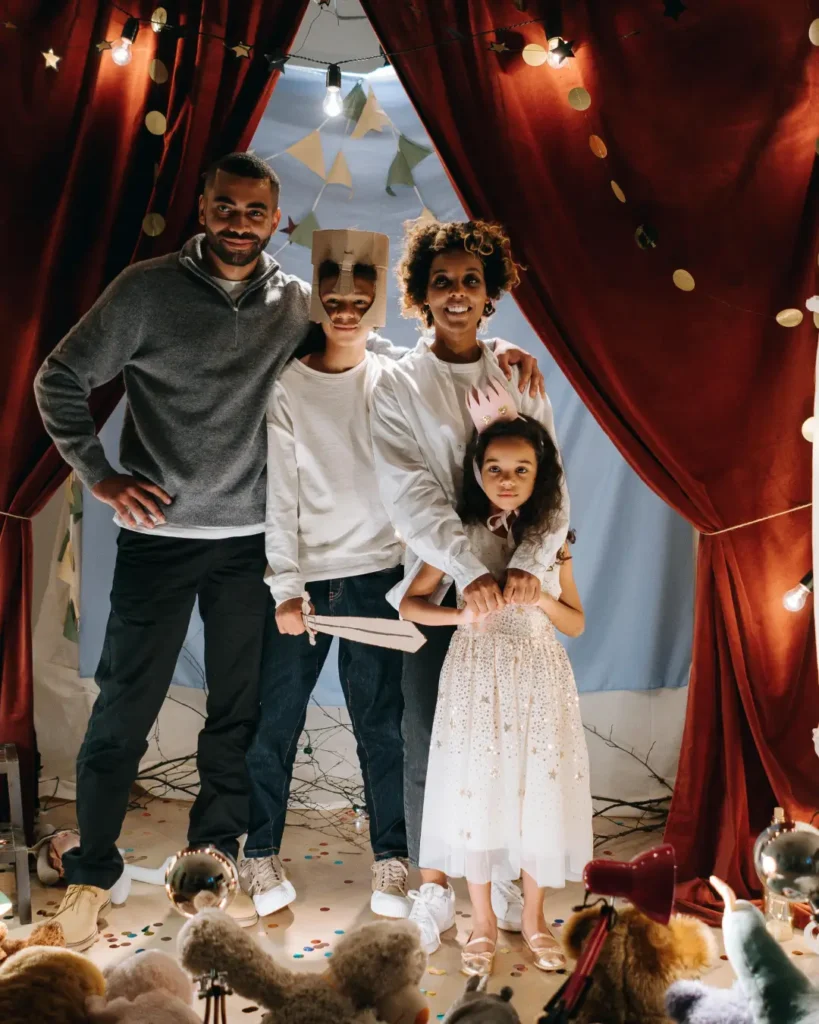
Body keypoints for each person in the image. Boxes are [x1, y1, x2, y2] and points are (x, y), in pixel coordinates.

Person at [34, 154, 542, 950]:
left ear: (278, 220)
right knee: (127, 705)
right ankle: (94, 869)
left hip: (262, 553)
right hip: (166, 542)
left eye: (255, 211)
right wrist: (99, 476)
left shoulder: (297, 301)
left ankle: (223, 852)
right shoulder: (146, 291)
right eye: (225, 207)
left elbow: (394, 335)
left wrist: (499, 346)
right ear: (202, 208)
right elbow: (59, 377)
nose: (239, 222)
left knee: (246, 715)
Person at [370, 219, 572, 955]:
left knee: (515, 742)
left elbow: (551, 483)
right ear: (423, 294)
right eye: (442, 281)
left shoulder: (516, 373)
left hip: (517, 586)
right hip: (446, 577)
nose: (456, 293)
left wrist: (531, 561)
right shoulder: (397, 383)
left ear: (490, 295)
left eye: (470, 282)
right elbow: (410, 494)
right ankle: (436, 888)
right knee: (434, 735)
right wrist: (470, 570)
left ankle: (508, 872)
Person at [240, 230, 410, 920]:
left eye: (358, 299)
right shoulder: (289, 386)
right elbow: (281, 494)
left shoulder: (395, 378)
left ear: (376, 304)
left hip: (378, 580)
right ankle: (258, 852)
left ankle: (392, 860)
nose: (345, 308)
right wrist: (285, 587)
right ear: (319, 301)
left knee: (381, 726)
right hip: (306, 586)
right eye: (333, 297)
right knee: (274, 722)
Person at [399, 413, 593, 976]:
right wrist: (461, 612)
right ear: (477, 472)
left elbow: (576, 622)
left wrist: (539, 600)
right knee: (477, 790)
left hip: (538, 675)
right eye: (494, 468)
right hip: (475, 676)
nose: (507, 479)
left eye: (521, 470)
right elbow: (410, 605)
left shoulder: (553, 541)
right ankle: (481, 920)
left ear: (540, 477)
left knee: (536, 792)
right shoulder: (456, 535)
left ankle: (533, 919)